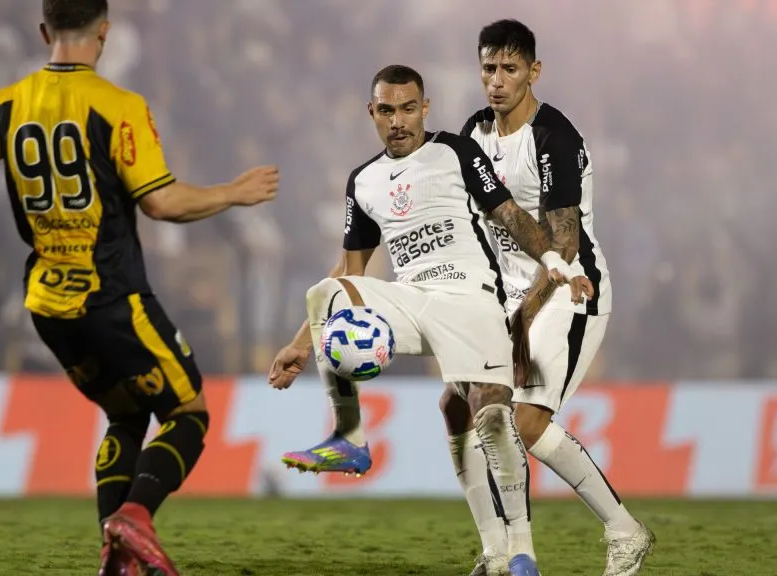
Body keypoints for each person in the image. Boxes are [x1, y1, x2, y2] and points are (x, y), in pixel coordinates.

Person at [0, 1, 279, 574]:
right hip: (112, 294)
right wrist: (232, 191)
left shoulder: (6, 104)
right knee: (189, 414)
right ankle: (134, 518)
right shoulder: (118, 106)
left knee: (126, 416)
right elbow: (161, 202)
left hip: (49, 303)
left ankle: (114, 556)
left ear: (45, 30)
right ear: (105, 31)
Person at [268, 64, 593, 576]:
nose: (397, 120)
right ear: (371, 112)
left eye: (407, 108)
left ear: (425, 108)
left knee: (485, 413)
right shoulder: (364, 181)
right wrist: (301, 345)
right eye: (386, 110)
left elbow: (509, 215)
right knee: (324, 291)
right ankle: (350, 437)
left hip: (469, 300)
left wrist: (554, 261)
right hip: (411, 301)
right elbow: (352, 272)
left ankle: (519, 553)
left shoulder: (457, 152)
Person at [447, 19, 655, 576]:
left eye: (509, 69)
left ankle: (625, 531)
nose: (496, 81)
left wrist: (522, 313)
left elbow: (562, 243)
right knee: (473, 412)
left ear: (533, 72)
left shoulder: (555, 139)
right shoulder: (474, 132)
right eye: (488, 68)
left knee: (527, 424)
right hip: (509, 295)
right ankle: (500, 552)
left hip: (567, 290)